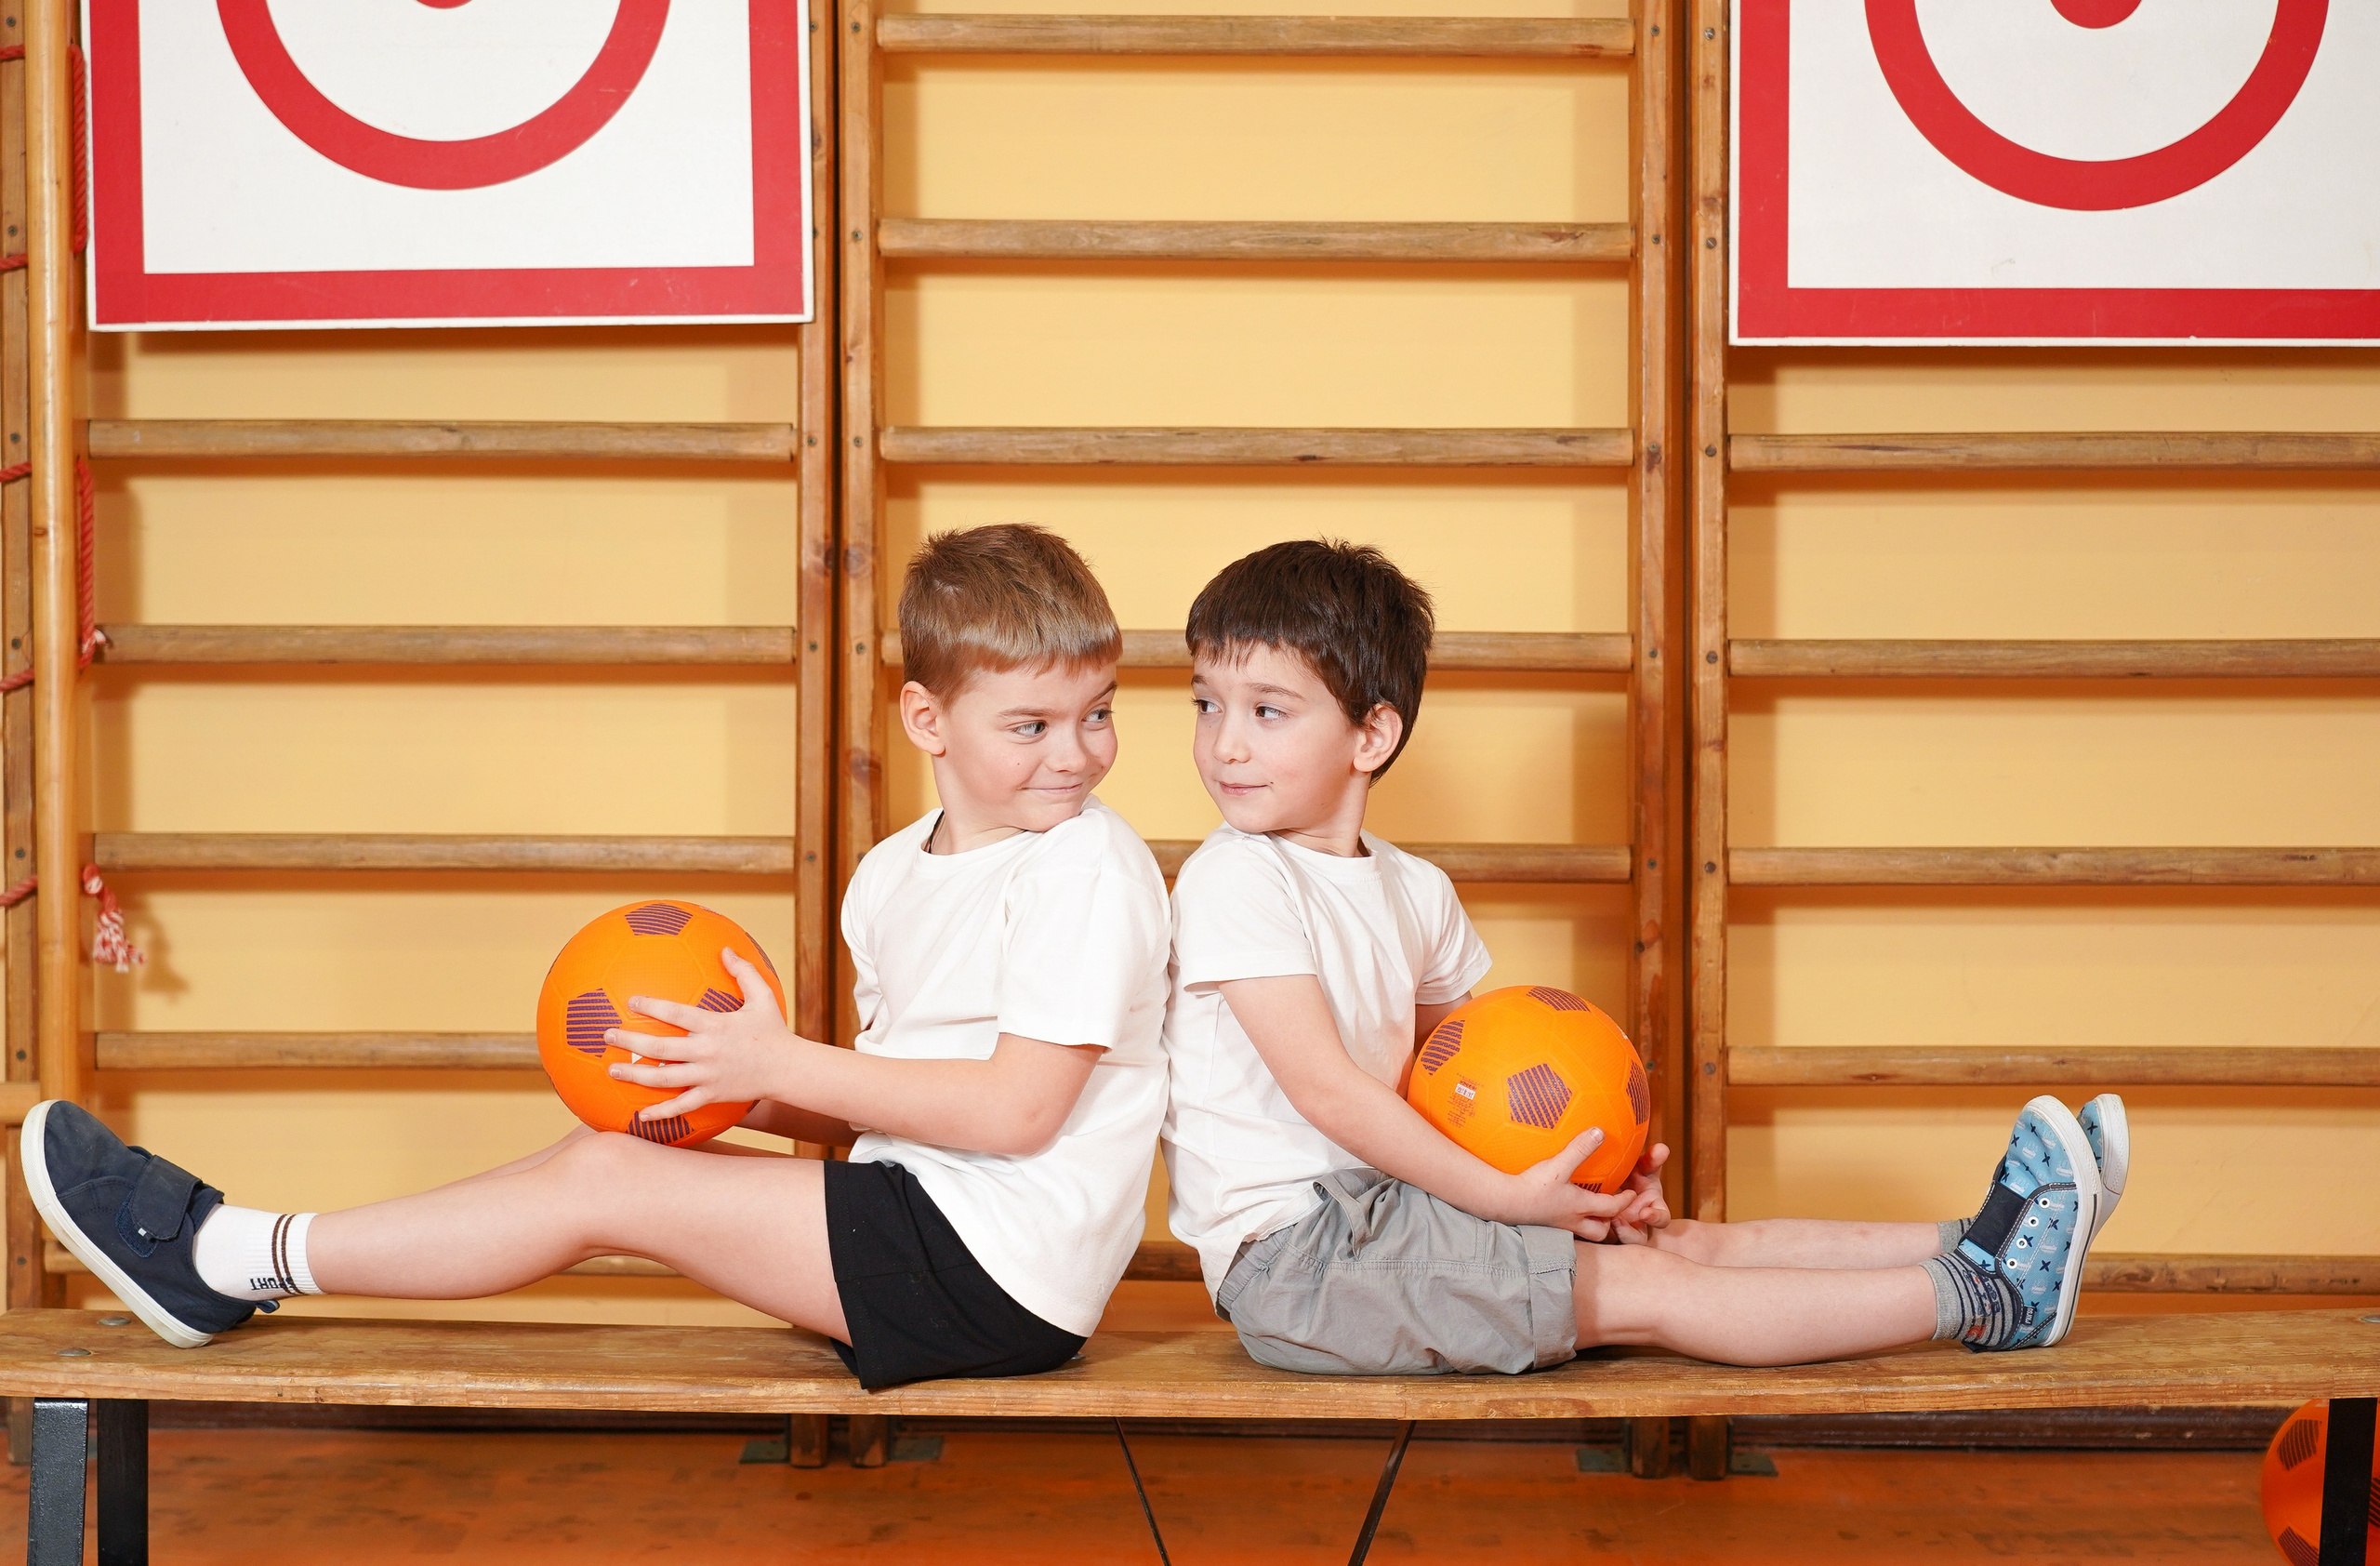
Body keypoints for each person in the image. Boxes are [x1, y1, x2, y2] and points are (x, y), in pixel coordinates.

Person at [29, 524, 1173, 1390]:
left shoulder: (1082, 867)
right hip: (916, 1216)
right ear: (928, 721)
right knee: (602, 1148)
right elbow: (897, 1104)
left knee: (600, 1183)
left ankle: (227, 1253)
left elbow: (1018, 1114)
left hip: (1001, 1273)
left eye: (1096, 714)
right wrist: (717, 1082)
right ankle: (238, 1258)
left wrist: (773, 1060)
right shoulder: (889, 875)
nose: (1075, 755)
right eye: (1030, 724)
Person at [1159, 538, 2130, 1375]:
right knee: (1652, 1283)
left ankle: (1987, 1238)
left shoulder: (1415, 890)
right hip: (1299, 1262)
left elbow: (1448, 1088)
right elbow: (1328, 1093)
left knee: (1669, 1237)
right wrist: (1508, 1197)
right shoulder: (1234, 879)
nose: (1223, 745)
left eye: (1266, 710)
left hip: (1396, 1211)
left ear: (1371, 733)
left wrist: (1587, 1179)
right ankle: (1986, 1297)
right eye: (1207, 703)